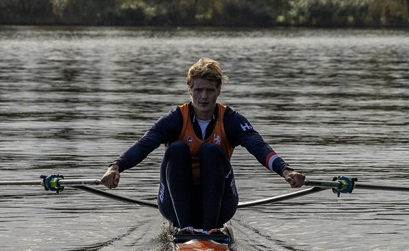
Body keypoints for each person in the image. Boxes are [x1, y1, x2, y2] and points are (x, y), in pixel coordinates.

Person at [99, 57, 306, 240]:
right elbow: (145, 144)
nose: (204, 96)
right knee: (177, 149)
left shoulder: (231, 120)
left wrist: (285, 170)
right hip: (175, 206)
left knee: (213, 151)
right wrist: (116, 167)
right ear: (190, 90)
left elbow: (259, 147)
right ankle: (185, 228)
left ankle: (210, 231)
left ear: (218, 91)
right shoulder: (176, 119)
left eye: (209, 90)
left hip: (220, 207)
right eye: (198, 90)